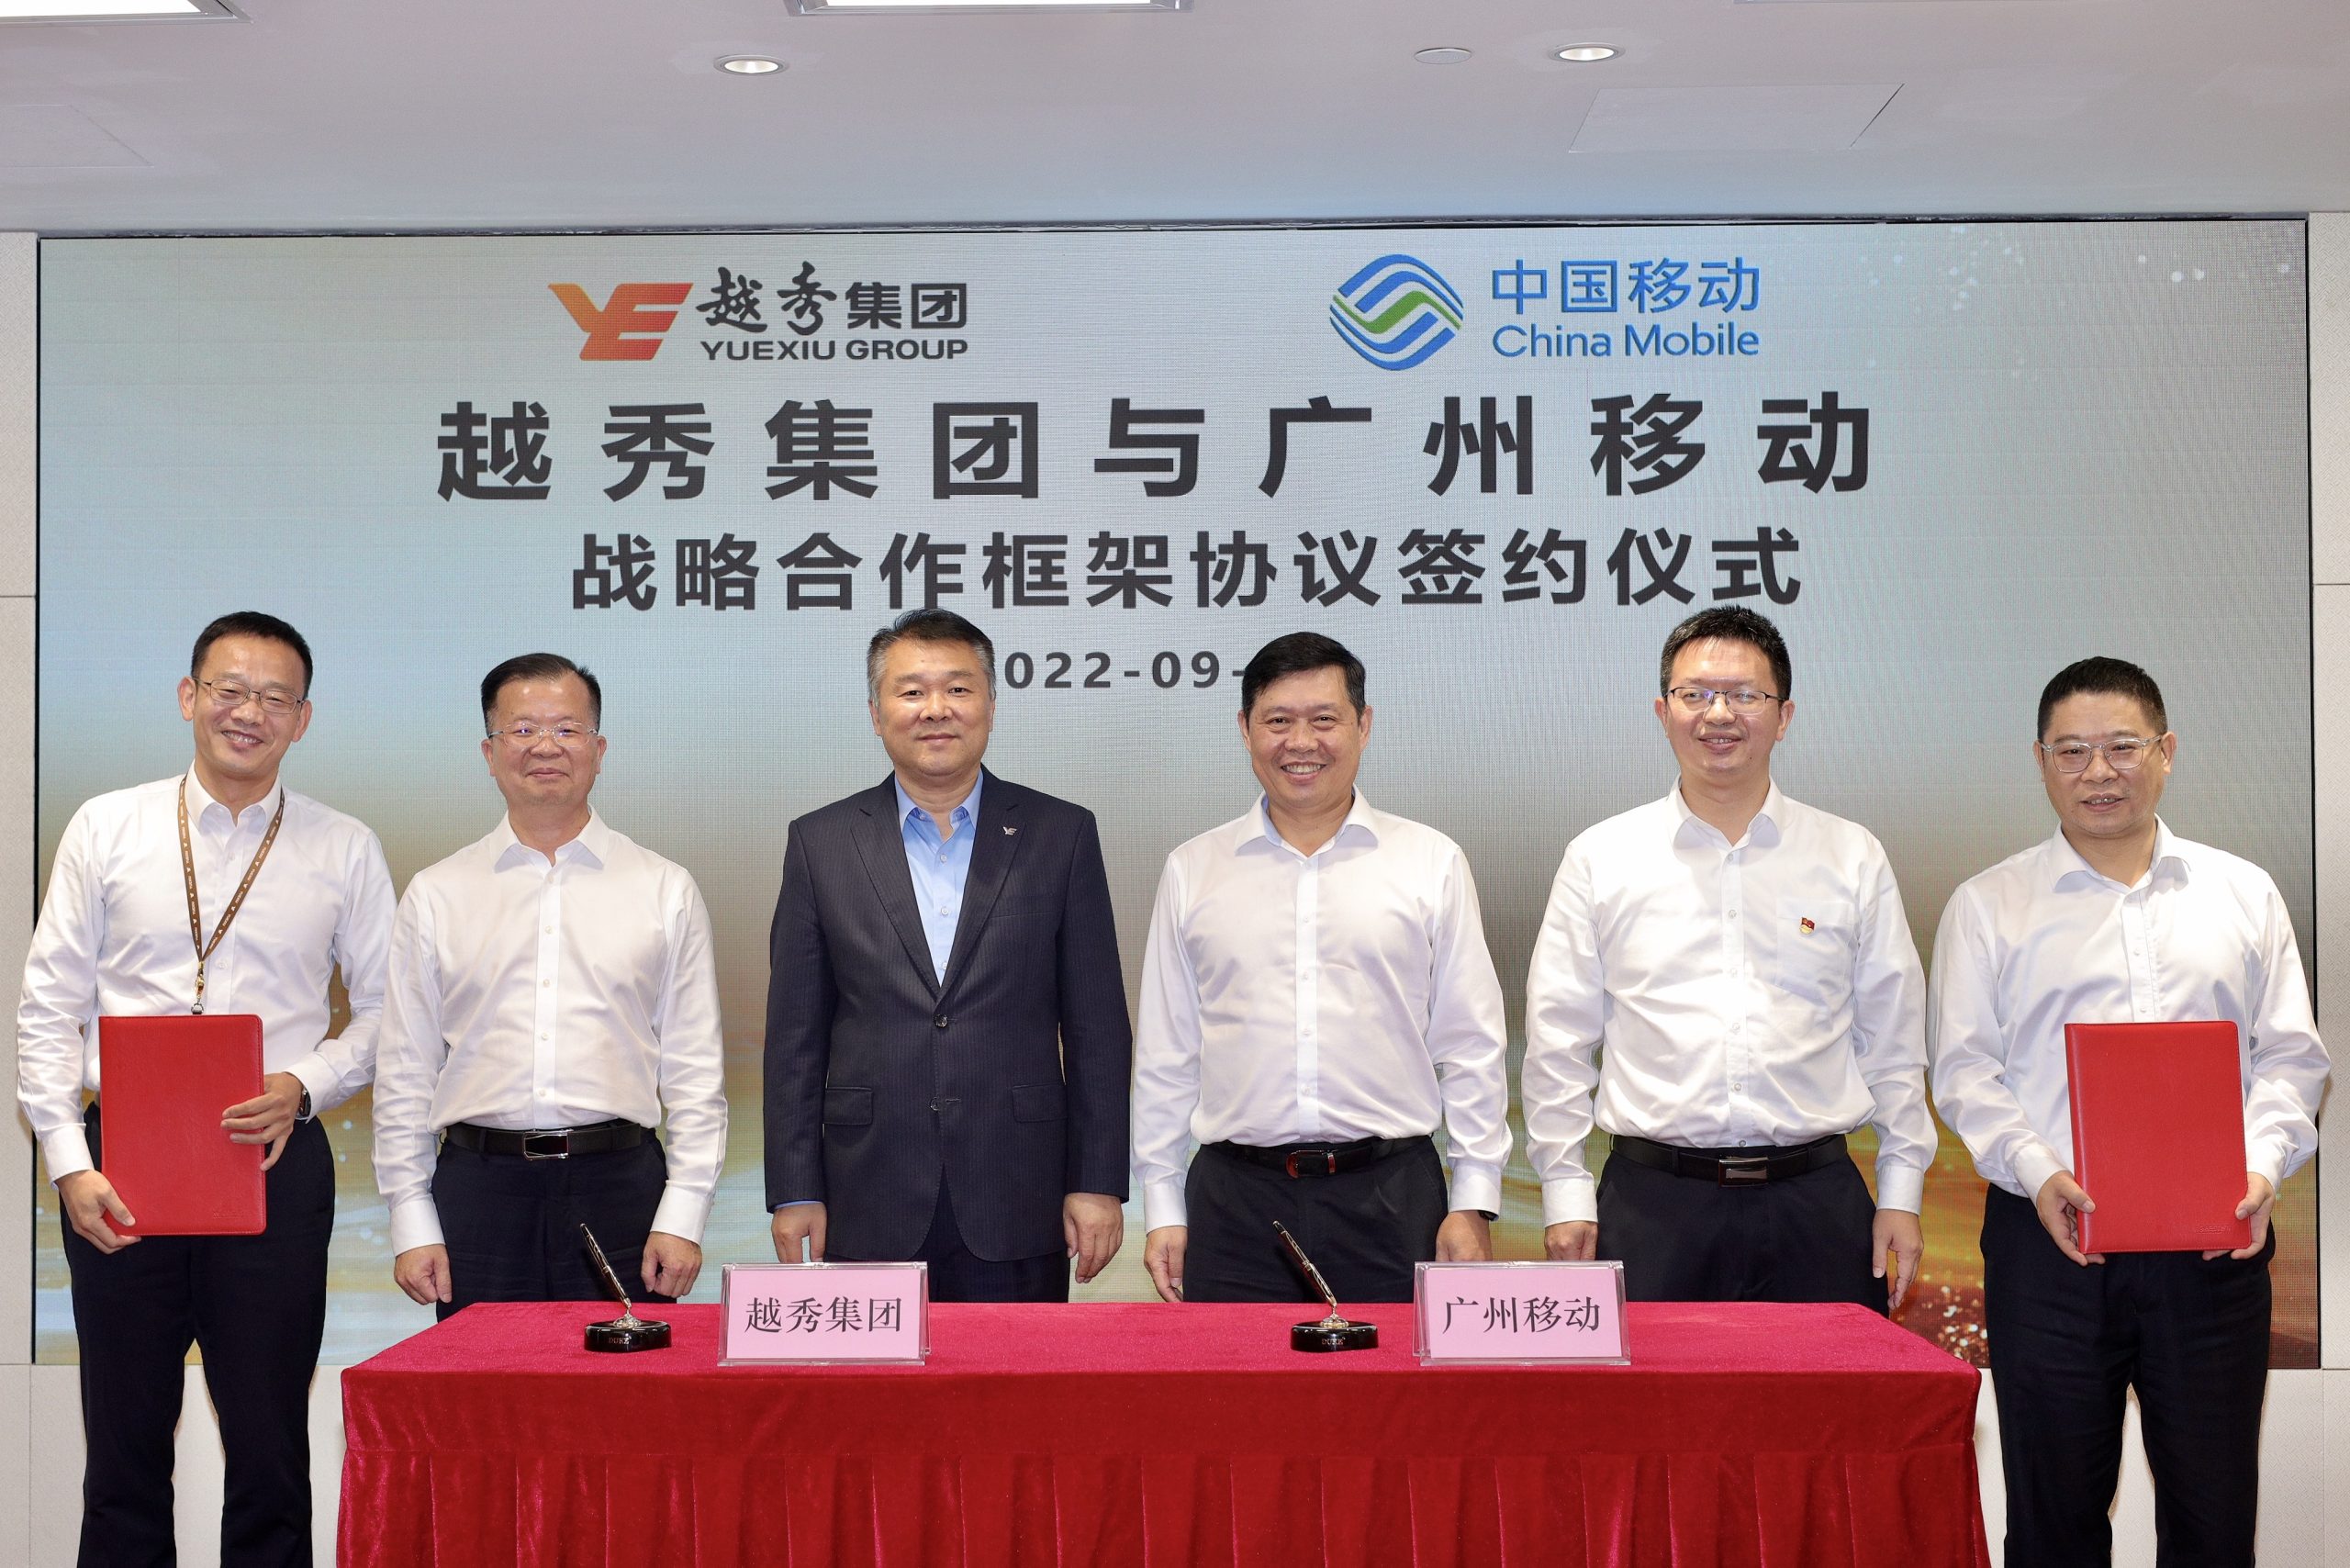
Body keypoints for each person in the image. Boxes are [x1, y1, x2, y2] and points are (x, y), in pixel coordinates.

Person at [1929, 656, 2326, 1568]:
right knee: (2053, 1524)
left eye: (2121, 747)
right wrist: (2038, 1173)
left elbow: (2291, 1058)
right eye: (2071, 751)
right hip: (2050, 1246)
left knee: (2213, 1523)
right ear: (2040, 761)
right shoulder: (1989, 905)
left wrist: (2260, 1166)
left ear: (2166, 751)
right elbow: (1965, 1073)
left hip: (2216, 1244)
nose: (2097, 772)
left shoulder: (2242, 893)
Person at [17, 611, 393, 1568]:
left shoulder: (344, 846)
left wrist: (304, 1083)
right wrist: (68, 1163)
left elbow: (390, 1015)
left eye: (274, 697)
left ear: (303, 719)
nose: (248, 712)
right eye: (229, 689)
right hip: (121, 1170)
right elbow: (47, 1008)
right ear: (189, 697)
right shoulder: (108, 825)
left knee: (269, 1450)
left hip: (272, 1162)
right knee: (124, 1448)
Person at [1521, 605, 1933, 1313]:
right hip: (1653, 1209)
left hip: (1817, 1207)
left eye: (1745, 695)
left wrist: (1901, 1191)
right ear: (1663, 711)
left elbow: (1893, 1041)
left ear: (1784, 715)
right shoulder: (1601, 858)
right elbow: (1558, 1043)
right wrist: (1564, 1192)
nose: (1719, 714)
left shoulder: (1850, 855)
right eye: (1696, 694)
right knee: (1653, 1392)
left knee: (1832, 1388)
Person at [764, 609, 1130, 1301]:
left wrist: (1097, 1181)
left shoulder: (1061, 833)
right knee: (873, 1375)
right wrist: (794, 1188)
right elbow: (794, 1038)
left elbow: (1097, 1028)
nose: (936, 709)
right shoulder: (820, 842)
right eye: (911, 691)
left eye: (958, 689)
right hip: (866, 1188)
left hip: (1019, 1188)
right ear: (876, 713)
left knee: (1015, 1373)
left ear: (990, 704)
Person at [1134, 632, 1509, 1305]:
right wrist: (1161, 1203)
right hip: (1234, 1205)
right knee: (1235, 1376)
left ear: (1364, 725)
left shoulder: (1430, 862)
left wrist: (1473, 1198)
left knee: (1398, 1376)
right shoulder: (1194, 869)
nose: (1300, 742)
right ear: (1245, 729)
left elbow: (1471, 1044)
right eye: (1278, 720)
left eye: (1324, 719)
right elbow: (1167, 1051)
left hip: (1394, 1197)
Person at [374, 653, 726, 1317]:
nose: (545, 747)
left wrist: (684, 1212)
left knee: (625, 1385)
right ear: (489, 752)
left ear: (599, 750)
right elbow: (405, 1070)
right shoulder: (437, 893)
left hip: (621, 1189)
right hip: (478, 1193)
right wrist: (411, 1219)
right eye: (523, 729)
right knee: (482, 1383)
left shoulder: (663, 888)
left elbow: (694, 1069)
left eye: (566, 729)